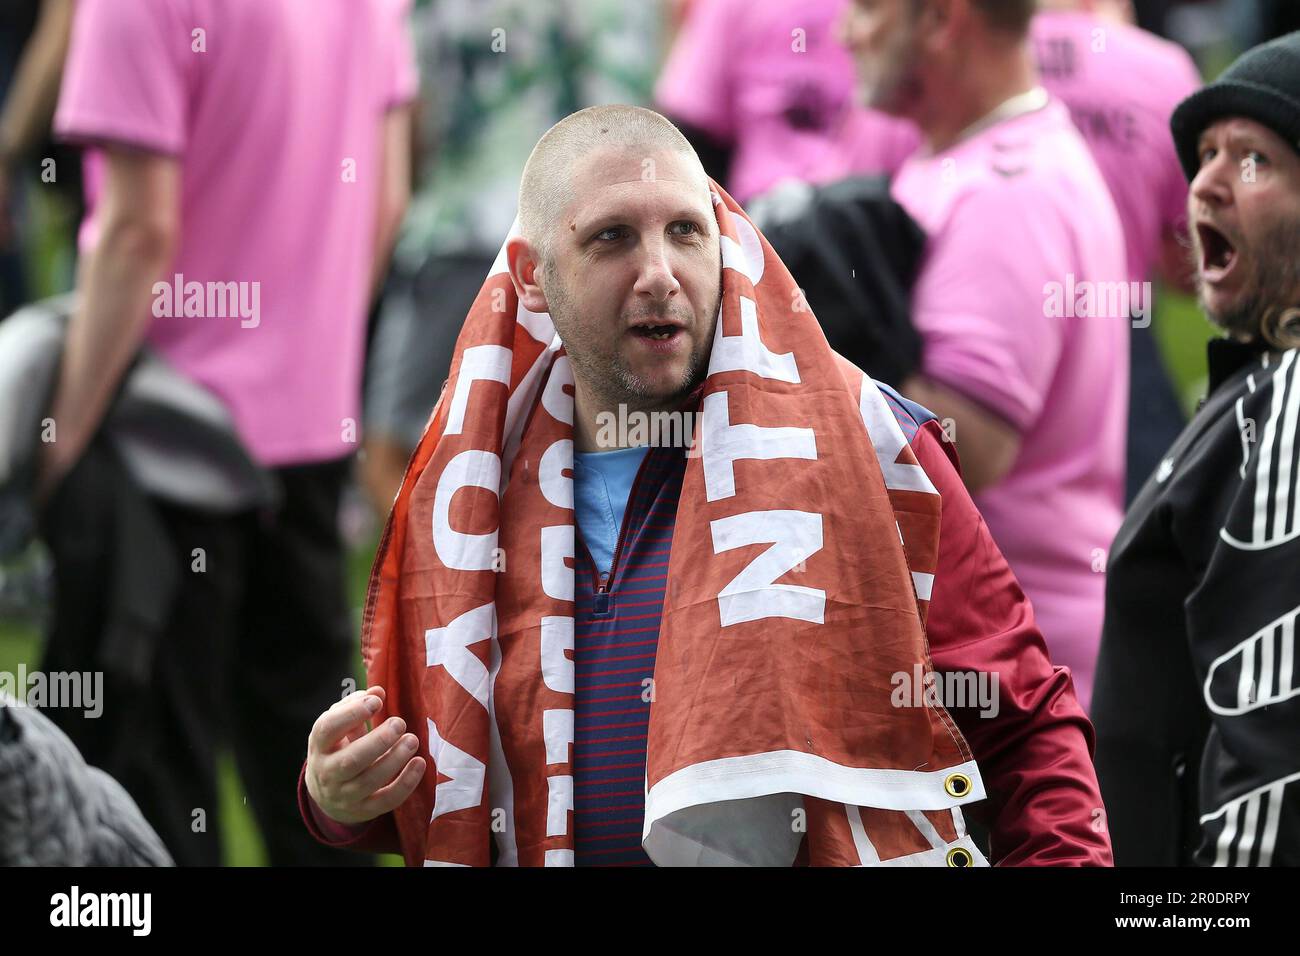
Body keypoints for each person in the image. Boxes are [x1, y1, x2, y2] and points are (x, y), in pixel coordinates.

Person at [296, 104, 1111, 867]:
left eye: (686, 232)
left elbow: (1026, 724)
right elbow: (445, 784)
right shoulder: (471, 489)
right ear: (532, 275)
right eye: (612, 238)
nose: (660, 273)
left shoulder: (864, 439)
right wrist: (335, 798)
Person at [36, 0, 417, 865]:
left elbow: (137, 232)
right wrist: (303, 350)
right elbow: (385, 199)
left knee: (150, 793)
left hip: (160, 450)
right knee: (316, 786)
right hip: (311, 433)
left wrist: (59, 435)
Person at [839, 0, 1131, 711]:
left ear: (941, 19)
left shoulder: (1007, 192)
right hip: (999, 663)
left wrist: (834, 351)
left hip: (1010, 685)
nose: (847, 32)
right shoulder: (984, 157)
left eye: (870, 8)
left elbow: (968, 446)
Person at [1093, 32, 1300, 867]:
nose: (1206, 182)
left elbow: (1273, 741)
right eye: (1205, 155)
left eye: (1252, 159)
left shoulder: (1290, 397)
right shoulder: (1256, 388)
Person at [1033, 0, 1203, 503]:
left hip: (967, 335)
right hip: (1118, 332)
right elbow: (1188, 267)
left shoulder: (955, 50)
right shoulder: (1160, 66)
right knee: (1147, 541)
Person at [655, 0, 921, 205]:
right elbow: (691, 134)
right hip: (760, 231)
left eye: (865, 7)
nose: (842, 34)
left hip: (885, 225)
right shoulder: (736, 6)